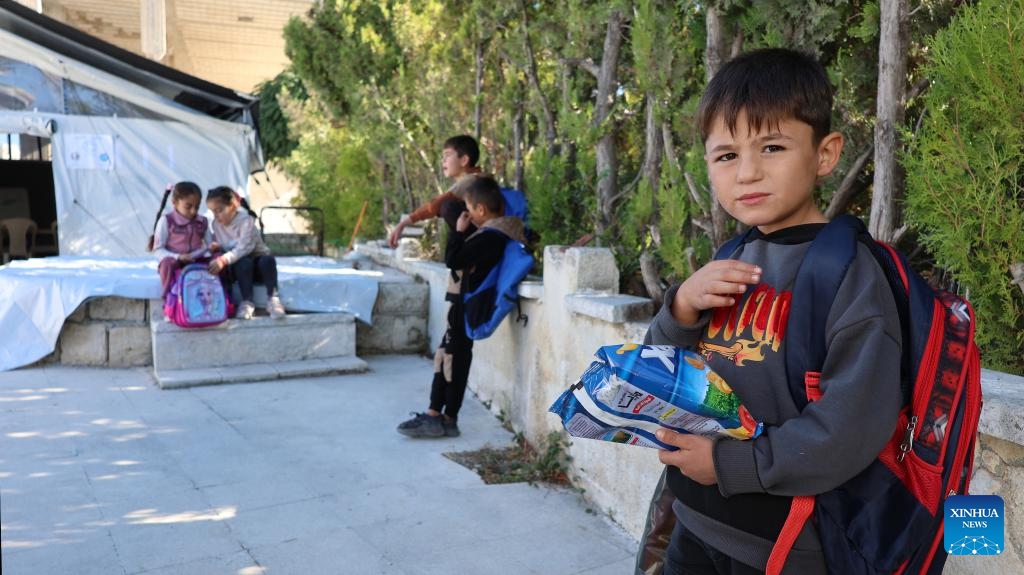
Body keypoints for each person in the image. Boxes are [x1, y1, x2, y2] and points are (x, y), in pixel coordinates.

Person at [644, 48, 902, 574]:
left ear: (825, 155)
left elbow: (850, 428)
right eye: (726, 155)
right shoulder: (729, 259)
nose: (748, 173)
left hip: (781, 546)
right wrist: (682, 307)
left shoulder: (848, 275)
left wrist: (727, 464)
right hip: (693, 521)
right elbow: (659, 377)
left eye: (773, 146)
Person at [397, 175, 526, 438]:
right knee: (449, 356)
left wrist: (457, 231)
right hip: (465, 304)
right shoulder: (497, 234)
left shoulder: (491, 237)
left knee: (452, 358)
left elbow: (453, 260)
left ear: (480, 210)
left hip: (466, 306)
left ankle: (442, 417)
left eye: (468, 208)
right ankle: (440, 415)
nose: (466, 214)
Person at [387, 134, 483, 247]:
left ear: (464, 160)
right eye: (443, 156)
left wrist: (403, 224)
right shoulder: (473, 179)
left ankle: (470, 256)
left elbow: (433, 206)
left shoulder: (471, 180)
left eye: (447, 155)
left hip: (485, 239)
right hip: (483, 235)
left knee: (447, 206)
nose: (443, 160)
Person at [205, 186, 286, 320]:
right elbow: (226, 246)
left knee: (268, 260)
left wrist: (223, 259)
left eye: (219, 210)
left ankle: (273, 298)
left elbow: (244, 247)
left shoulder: (246, 222)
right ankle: (247, 302)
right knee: (243, 263)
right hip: (239, 269)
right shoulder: (216, 225)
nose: (216, 215)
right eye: (213, 212)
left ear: (232, 206)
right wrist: (217, 247)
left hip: (258, 266)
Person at [150, 181, 213, 299]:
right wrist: (178, 257)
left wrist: (212, 250)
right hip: (175, 261)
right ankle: (169, 299)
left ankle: (221, 298)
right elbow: (158, 251)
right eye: (188, 207)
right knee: (167, 264)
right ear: (174, 203)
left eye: (197, 207)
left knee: (218, 260)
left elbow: (210, 246)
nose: (193, 211)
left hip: (196, 260)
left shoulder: (202, 222)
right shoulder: (166, 221)